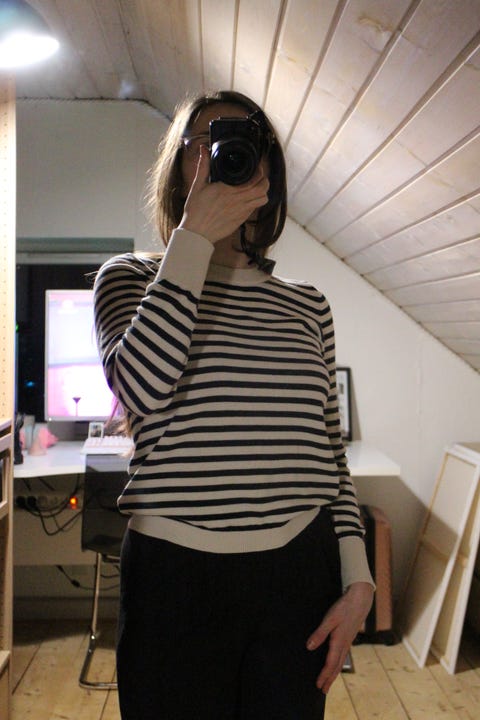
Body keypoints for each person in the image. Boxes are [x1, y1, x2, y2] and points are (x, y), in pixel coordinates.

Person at [93, 89, 374, 720]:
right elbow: (141, 388)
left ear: (268, 170)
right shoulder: (131, 278)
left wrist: (358, 576)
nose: (227, 152)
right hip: (174, 576)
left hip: (300, 570)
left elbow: (329, 450)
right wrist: (193, 238)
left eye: (247, 141)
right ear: (179, 165)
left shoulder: (308, 305)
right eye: (208, 140)